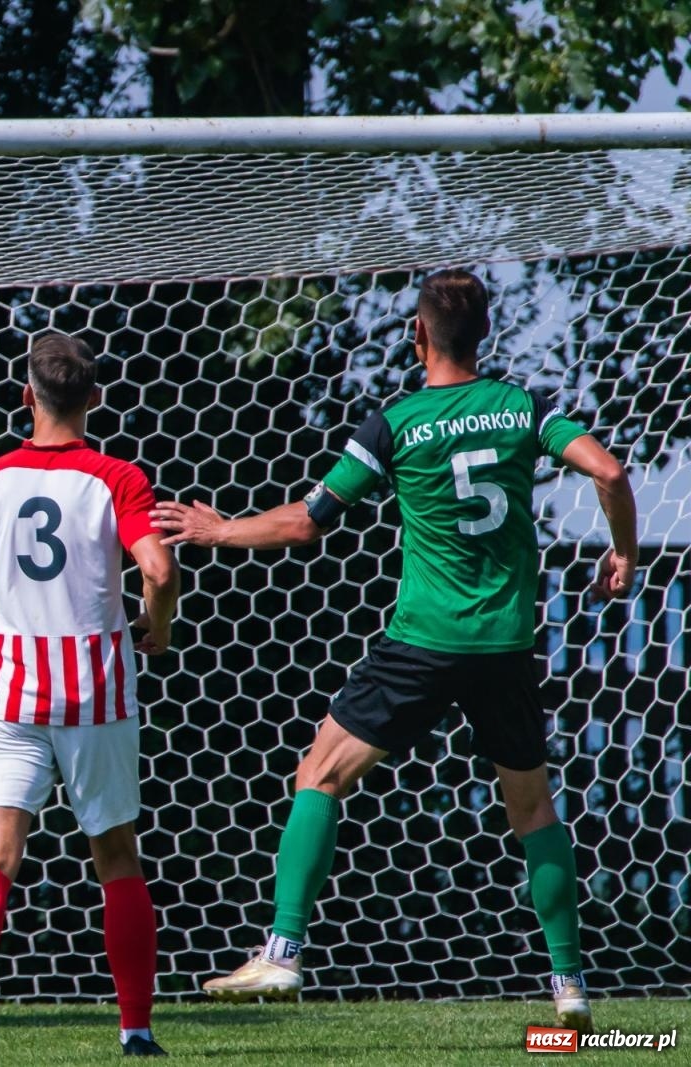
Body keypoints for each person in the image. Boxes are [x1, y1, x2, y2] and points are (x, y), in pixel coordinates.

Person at [153, 269, 638, 1033]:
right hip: (505, 644)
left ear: (418, 335)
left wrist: (219, 530)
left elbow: (309, 522)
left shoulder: (397, 421)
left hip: (422, 641)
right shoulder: (520, 407)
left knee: (319, 770)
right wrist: (623, 553)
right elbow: (609, 470)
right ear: (485, 337)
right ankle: (570, 984)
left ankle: (282, 949)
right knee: (534, 806)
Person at [0, 333, 180, 1061]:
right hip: (95, 689)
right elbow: (159, 571)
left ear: (26, 396)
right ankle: (135, 1029)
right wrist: (155, 629)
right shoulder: (117, 478)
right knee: (116, 855)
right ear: (94, 398)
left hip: (7, 688)